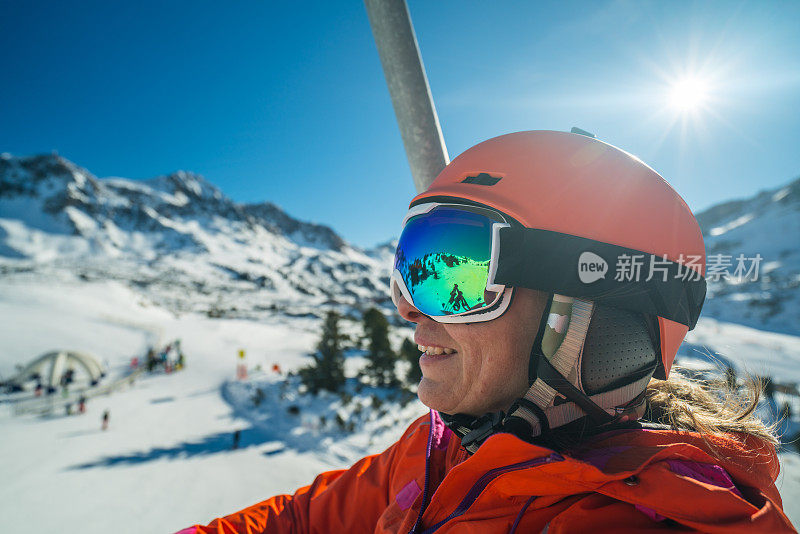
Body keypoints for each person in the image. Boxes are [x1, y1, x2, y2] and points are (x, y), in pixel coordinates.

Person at [180, 131, 794, 533]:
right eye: (413, 271)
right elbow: (300, 522)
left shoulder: (641, 520)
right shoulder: (440, 452)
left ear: (592, 315)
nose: (414, 312)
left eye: (460, 278)